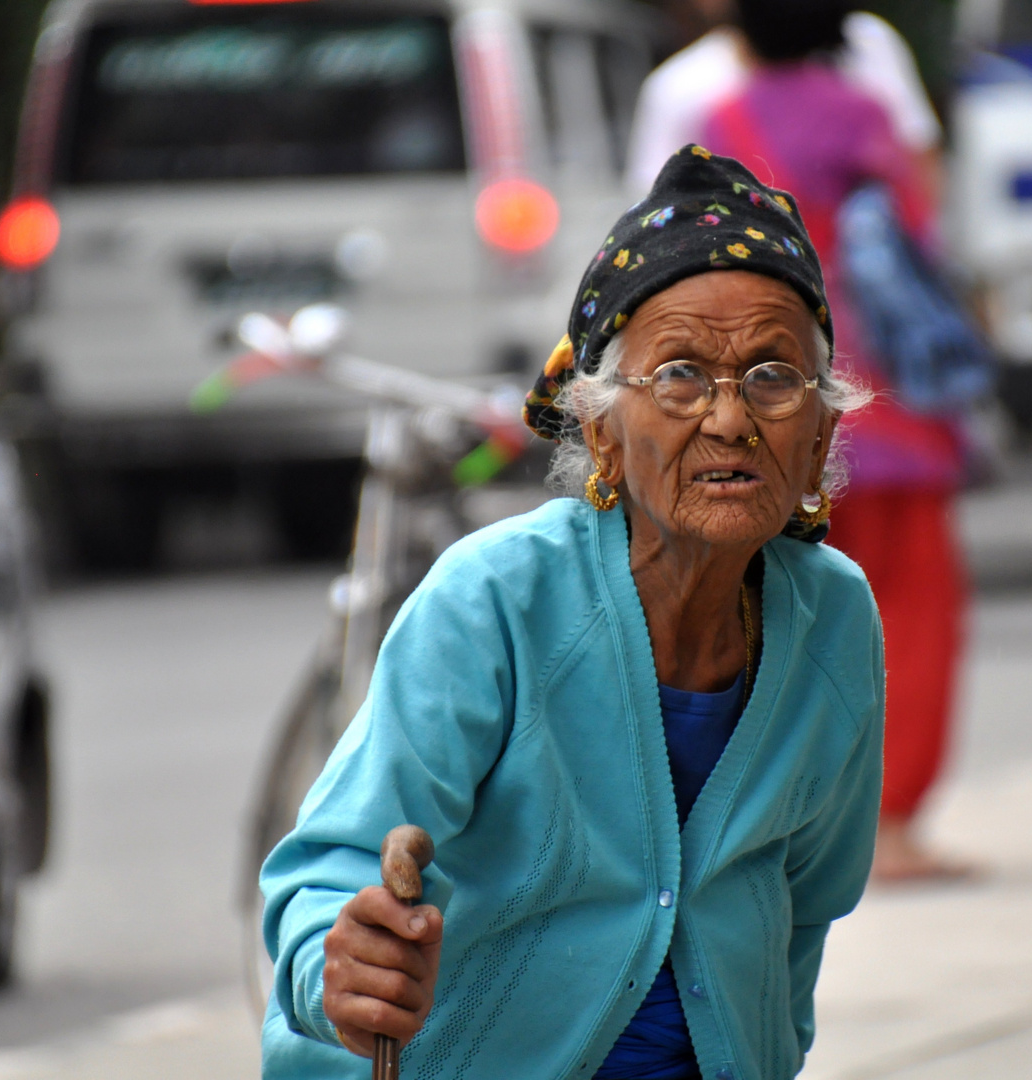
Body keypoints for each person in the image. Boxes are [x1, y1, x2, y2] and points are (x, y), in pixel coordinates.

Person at [260, 146, 882, 1080]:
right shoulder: (497, 599)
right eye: (678, 375)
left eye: (771, 377)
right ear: (601, 430)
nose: (729, 420)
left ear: (823, 430)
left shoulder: (836, 620)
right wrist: (334, 968)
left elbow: (806, 909)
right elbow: (334, 862)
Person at [700, 0, 975, 882]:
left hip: (774, 412)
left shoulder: (719, 126)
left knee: (777, 621)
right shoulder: (866, 118)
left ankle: (783, 825)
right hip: (889, 415)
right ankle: (887, 828)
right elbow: (920, 240)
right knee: (910, 616)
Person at [625, 0, 942, 199]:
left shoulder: (718, 114)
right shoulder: (862, 106)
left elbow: (656, 209)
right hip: (854, 290)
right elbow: (914, 188)